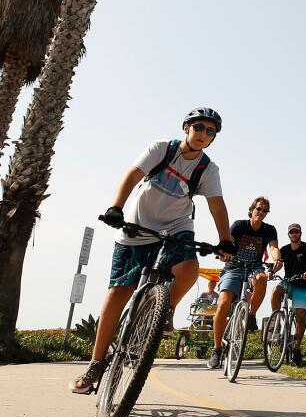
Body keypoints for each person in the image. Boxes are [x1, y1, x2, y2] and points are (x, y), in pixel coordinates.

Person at [71, 108, 233, 393]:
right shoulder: (161, 150)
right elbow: (133, 174)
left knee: (189, 268)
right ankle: (96, 364)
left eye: (210, 131)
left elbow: (216, 204)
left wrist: (225, 240)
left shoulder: (208, 169)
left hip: (176, 226)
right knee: (119, 292)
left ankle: (164, 309)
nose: (203, 134)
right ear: (186, 127)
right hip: (137, 226)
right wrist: (116, 208)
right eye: (198, 127)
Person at [208, 196, 279, 369]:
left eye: (265, 210)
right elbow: (229, 242)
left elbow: (273, 248)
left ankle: (251, 315)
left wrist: (278, 259)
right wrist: (223, 253)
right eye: (259, 209)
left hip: (254, 267)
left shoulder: (269, 230)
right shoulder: (239, 225)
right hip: (234, 267)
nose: (261, 213)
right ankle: (217, 349)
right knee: (223, 304)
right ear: (252, 209)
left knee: (262, 278)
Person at [270, 222, 306, 365]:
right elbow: (279, 264)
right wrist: (272, 272)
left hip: (303, 285)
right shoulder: (284, 249)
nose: (294, 234)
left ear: (300, 233)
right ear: (289, 234)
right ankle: (277, 319)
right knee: (275, 291)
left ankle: (297, 349)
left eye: (296, 232)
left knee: (301, 315)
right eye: (292, 232)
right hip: (288, 282)